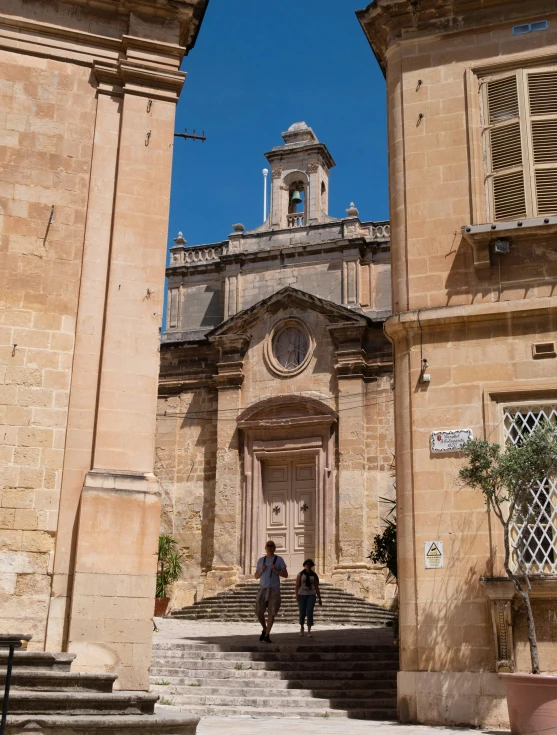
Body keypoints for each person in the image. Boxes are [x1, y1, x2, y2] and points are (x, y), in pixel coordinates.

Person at [254, 540, 288, 643]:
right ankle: (264, 628)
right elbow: (256, 576)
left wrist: (276, 571)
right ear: (265, 548)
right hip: (263, 588)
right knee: (259, 611)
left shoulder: (279, 560)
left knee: (272, 612)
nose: (269, 547)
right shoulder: (260, 561)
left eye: (271, 545)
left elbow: (285, 575)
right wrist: (261, 570)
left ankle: (267, 634)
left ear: (274, 548)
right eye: (268, 545)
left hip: (274, 589)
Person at [295, 559, 322, 637]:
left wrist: (319, 598)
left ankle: (309, 630)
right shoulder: (300, 574)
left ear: (312, 566)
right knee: (302, 612)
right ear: (304, 565)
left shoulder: (314, 575)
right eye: (307, 564)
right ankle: (302, 628)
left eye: (310, 564)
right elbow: (297, 585)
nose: (308, 566)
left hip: (311, 594)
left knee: (310, 611)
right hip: (302, 594)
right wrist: (296, 595)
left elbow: (316, 587)